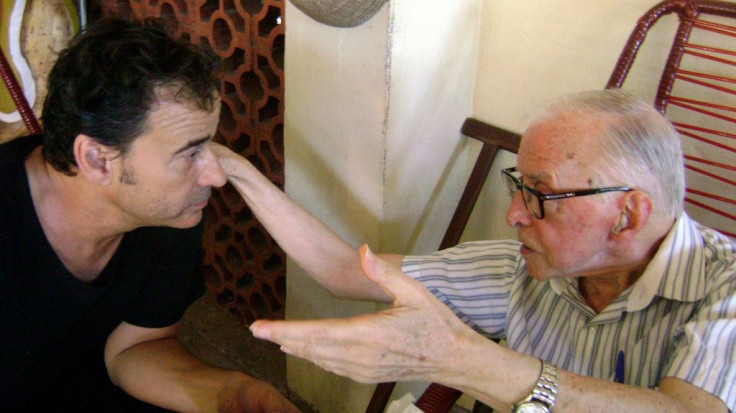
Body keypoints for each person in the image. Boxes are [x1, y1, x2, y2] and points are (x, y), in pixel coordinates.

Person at [213, 89, 735, 412]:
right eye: (518, 184)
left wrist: (460, 359)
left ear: (628, 215)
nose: (514, 213)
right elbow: (345, 272)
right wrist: (239, 171)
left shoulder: (725, 288)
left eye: (540, 193)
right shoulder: (527, 269)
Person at [0, 18, 299, 412]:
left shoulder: (170, 213)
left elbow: (135, 347)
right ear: (96, 159)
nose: (215, 175)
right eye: (190, 153)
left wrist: (232, 396)